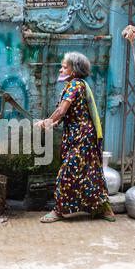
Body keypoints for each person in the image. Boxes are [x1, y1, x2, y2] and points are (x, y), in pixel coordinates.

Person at [35, 52, 116, 223]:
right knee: (90, 172)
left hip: (81, 136)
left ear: (73, 71)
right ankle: (104, 209)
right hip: (82, 135)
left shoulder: (74, 86)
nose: (60, 69)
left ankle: (59, 211)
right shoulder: (78, 85)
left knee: (67, 173)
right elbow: (69, 114)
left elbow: (61, 111)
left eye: (64, 67)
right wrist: (53, 123)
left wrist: (47, 121)